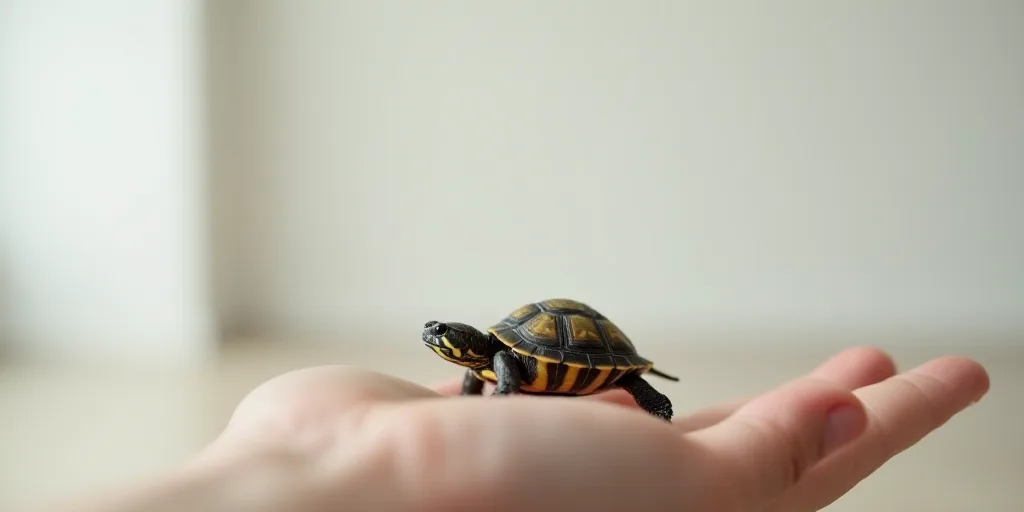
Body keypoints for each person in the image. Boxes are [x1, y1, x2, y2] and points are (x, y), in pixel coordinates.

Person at [53, 346, 988, 512]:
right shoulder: (487, 370)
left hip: (588, 357)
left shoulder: (506, 367)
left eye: (453, 352)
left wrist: (310, 468)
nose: (444, 353)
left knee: (641, 398)